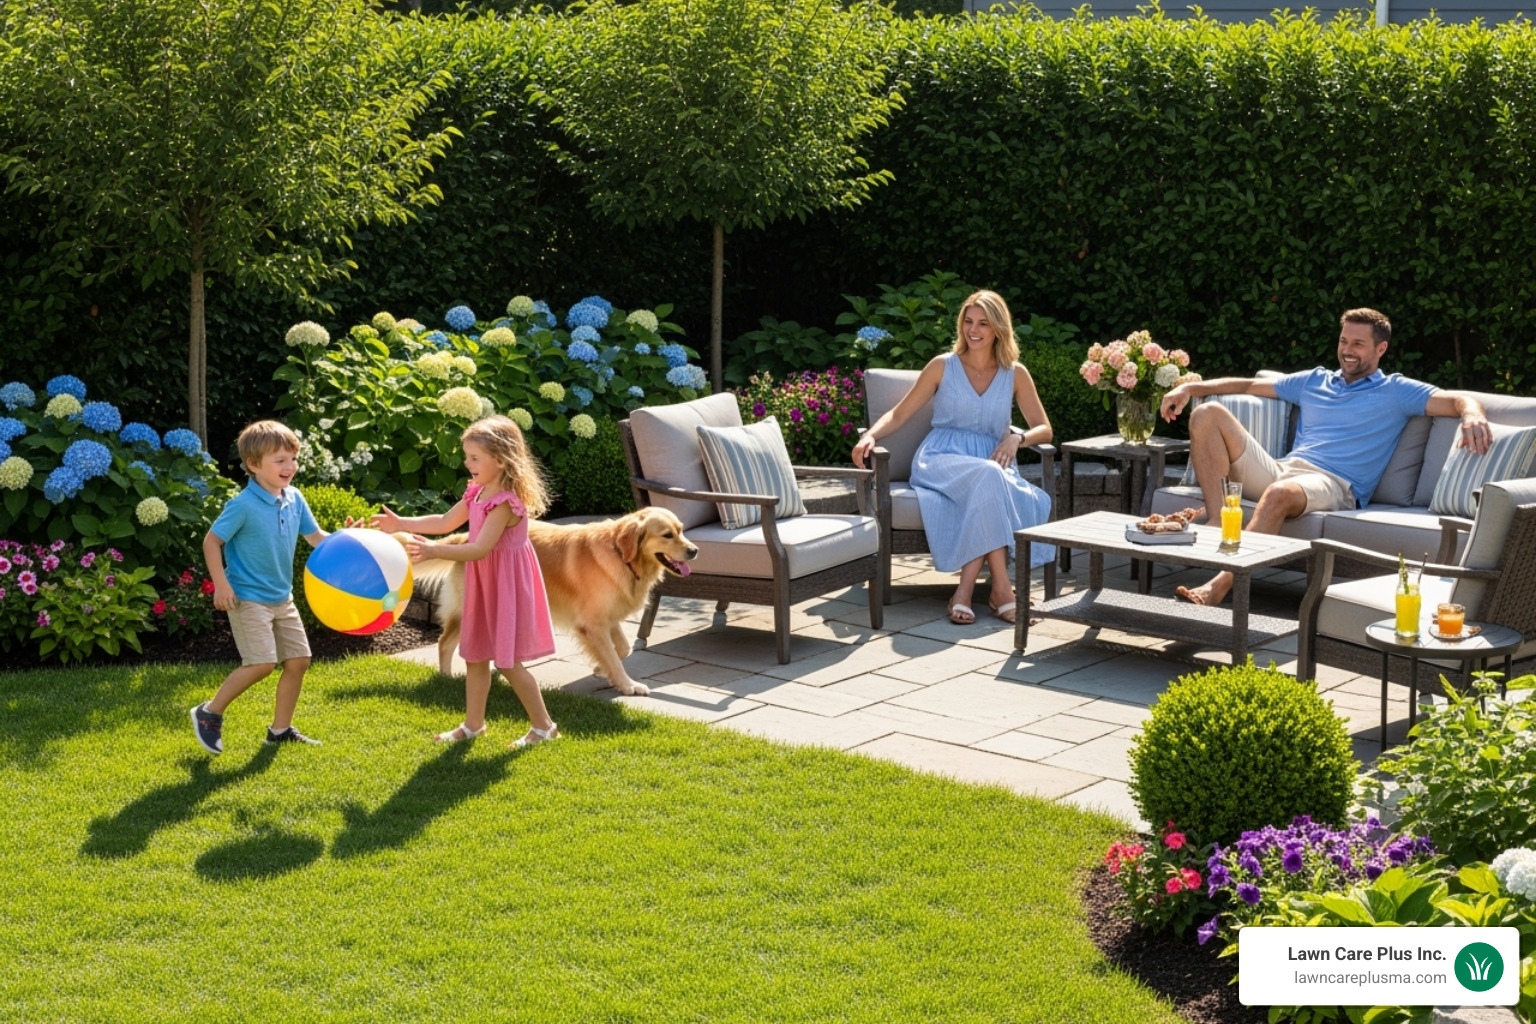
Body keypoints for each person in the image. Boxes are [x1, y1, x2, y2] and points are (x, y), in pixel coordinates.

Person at [1158, 307, 1491, 606]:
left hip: (1334, 484)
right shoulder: (1314, 381)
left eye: (1358, 344)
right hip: (1283, 470)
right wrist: (1189, 389)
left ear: (1381, 348)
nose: (1347, 351)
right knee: (1208, 414)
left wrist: (1472, 415)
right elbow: (1246, 386)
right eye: (1344, 341)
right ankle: (1218, 518)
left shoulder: (1396, 391)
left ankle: (1219, 586)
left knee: (1278, 494)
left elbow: (1456, 399)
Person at [852, 289, 1055, 625]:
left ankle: (964, 593)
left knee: (988, 479)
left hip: (992, 465)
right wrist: (870, 435)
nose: (973, 330)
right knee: (990, 477)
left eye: (983, 324)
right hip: (940, 460)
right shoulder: (942, 366)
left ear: (998, 330)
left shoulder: (1014, 373)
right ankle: (1002, 590)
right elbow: (900, 414)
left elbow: (1045, 429)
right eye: (968, 322)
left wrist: (1018, 438)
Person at [373, 415, 560, 749]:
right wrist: (400, 521)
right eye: (467, 456)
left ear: (500, 460)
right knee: (475, 655)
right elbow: (446, 521)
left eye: (474, 458)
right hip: (483, 582)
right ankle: (473, 725)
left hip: (504, 585)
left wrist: (433, 551)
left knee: (507, 661)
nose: (467, 463)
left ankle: (544, 726)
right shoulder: (477, 491)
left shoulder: (505, 503)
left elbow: (479, 548)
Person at [190, 420, 328, 754]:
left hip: (283, 597)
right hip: (249, 597)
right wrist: (220, 584)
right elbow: (212, 542)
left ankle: (280, 730)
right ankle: (209, 712)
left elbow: (316, 538)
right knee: (261, 664)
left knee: (298, 660)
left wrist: (349, 541)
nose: (290, 467)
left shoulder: (294, 498)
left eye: (292, 458)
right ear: (253, 465)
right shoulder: (243, 505)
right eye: (280, 460)